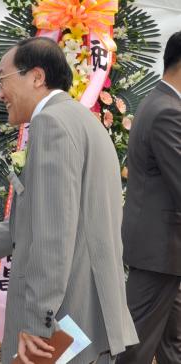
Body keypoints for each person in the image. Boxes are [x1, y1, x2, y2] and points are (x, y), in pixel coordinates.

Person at [0, 37, 138, 364]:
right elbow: (33, 223)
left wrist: (38, 321)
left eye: (3, 79)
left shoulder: (51, 123)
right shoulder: (84, 121)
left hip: (62, 319)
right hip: (89, 315)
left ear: (37, 77)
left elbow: (53, 234)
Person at [117, 31, 181, 364]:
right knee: (136, 347)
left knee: (172, 343)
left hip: (163, 250)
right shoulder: (168, 111)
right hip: (160, 251)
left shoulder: (158, 102)